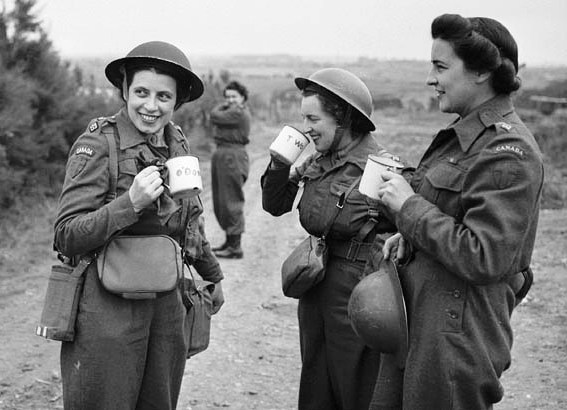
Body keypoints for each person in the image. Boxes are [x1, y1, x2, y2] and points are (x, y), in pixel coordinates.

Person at [370, 14, 544, 410]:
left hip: (455, 337)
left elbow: (485, 256)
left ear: (482, 71)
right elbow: (455, 217)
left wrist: (409, 209)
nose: (431, 79)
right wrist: (410, 234)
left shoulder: (507, 152)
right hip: (423, 325)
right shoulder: (463, 137)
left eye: (440, 66)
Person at [53, 41, 225, 410]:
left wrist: (214, 275)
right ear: (125, 91)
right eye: (141, 92)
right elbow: (66, 234)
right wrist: (128, 205)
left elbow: (190, 219)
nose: (151, 106)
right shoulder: (99, 143)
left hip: (166, 304)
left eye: (164, 96)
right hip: (107, 306)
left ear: (177, 101)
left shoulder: (177, 141)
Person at [261, 68, 404, 410]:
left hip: (356, 288)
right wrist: (281, 164)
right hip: (317, 284)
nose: (307, 127)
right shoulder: (318, 160)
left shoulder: (378, 168)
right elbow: (275, 205)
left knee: (354, 384)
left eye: (313, 118)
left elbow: (405, 229)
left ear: (343, 118)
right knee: (316, 381)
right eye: (303, 117)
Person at [210, 80, 251, 259]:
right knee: (222, 201)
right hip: (223, 153)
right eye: (227, 97)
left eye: (234, 96)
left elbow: (214, 115)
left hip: (232, 156)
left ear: (243, 98)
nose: (230, 100)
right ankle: (229, 241)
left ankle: (235, 247)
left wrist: (224, 105)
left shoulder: (238, 112)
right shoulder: (232, 111)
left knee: (231, 201)